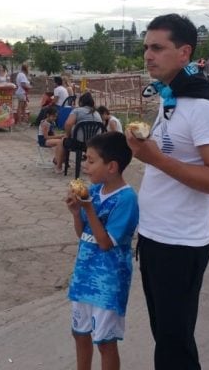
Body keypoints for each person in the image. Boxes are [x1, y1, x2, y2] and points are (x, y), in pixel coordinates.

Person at [127, 14, 209, 370]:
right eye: (146, 47)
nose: (148, 56)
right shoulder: (173, 95)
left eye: (158, 48)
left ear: (185, 53)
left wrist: (155, 159)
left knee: (175, 347)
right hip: (156, 237)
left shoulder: (204, 105)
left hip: (181, 244)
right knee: (166, 339)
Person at [65, 131, 139, 370]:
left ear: (112, 166)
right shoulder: (94, 192)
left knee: (105, 343)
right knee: (80, 334)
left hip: (108, 283)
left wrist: (88, 210)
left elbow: (106, 243)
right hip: (83, 277)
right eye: (85, 159)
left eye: (91, 160)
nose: (85, 166)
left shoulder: (127, 199)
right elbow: (84, 235)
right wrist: (78, 213)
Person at [54, 92, 103, 173]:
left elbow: (68, 124)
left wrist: (67, 134)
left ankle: (58, 167)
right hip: (94, 144)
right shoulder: (96, 113)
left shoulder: (77, 111)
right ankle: (88, 168)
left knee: (61, 142)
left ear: (81, 102)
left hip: (78, 143)